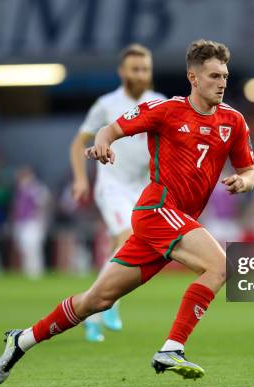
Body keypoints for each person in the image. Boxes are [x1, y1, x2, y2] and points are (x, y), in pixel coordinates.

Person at [0, 39, 254, 384]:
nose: (222, 82)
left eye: (225, 75)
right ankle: (172, 347)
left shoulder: (233, 121)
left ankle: (22, 340)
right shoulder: (166, 110)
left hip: (175, 222)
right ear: (193, 77)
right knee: (220, 266)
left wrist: (243, 182)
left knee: (96, 300)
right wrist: (102, 144)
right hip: (158, 209)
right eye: (213, 76)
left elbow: (248, 170)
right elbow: (110, 129)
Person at [70, 44, 165, 342]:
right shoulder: (106, 104)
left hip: (142, 187)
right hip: (111, 184)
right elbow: (78, 142)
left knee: (128, 249)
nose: (141, 74)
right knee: (126, 240)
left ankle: (93, 312)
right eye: (135, 69)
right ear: (122, 72)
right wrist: (80, 179)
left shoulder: (160, 102)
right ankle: (107, 303)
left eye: (146, 69)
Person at [11, 167, 50, 278]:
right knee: (25, 249)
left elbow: (44, 203)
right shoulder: (20, 190)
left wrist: (40, 219)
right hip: (22, 223)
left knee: (33, 248)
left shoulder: (36, 188)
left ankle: (36, 272)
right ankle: (28, 271)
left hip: (32, 222)